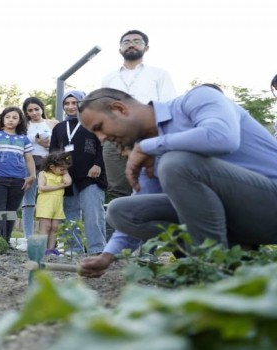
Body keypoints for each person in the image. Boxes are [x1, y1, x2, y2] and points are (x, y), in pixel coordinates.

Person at [77, 86, 277, 276]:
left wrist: (151, 146)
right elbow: (144, 202)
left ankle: (212, 270)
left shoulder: (198, 99)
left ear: (120, 109)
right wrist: (107, 255)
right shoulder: (144, 150)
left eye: (99, 127)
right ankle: (232, 261)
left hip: (270, 203)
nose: (101, 138)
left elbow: (222, 137)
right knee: (121, 210)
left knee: (176, 163)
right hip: (237, 219)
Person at [101, 30, 175, 202]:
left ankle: (151, 228)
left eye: (137, 41)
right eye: (126, 42)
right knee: (117, 188)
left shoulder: (159, 74)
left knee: (150, 183)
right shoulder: (109, 78)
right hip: (115, 139)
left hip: (147, 136)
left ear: (146, 47)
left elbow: (167, 105)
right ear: (120, 49)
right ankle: (119, 229)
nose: (131, 44)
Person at [50, 90, 107, 255]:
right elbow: (53, 152)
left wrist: (98, 165)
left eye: (74, 103)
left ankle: (97, 248)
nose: (70, 107)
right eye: (67, 104)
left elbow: (104, 147)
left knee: (93, 214)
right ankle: (73, 249)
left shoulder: (94, 123)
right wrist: (60, 172)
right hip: (67, 177)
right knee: (70, 214)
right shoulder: (59, 128)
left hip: (91, 176)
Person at [0, 107, 35, 246]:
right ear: (3, 118)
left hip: (18, 180)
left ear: (19, 121)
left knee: (10, 211)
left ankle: (5, 241)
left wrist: (32, 176)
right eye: (8, 117)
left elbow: (29, 160)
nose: (11, 120)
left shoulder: (23, 139)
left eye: (14, 117)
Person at [19, 97, 56, 247]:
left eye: (36, 109)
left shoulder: (53, 123)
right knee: (28, 202)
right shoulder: (23, 126)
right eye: (30, 110)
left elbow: (60, 143)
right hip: (28, 164)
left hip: (49, 164)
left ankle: (51, 240)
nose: (34, 113)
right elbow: (19, 142)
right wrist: (35, 138)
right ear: (26, 112)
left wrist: (47, 146)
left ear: (42, 108)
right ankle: (28, 237)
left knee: (51, 201)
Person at [36, 151, 72, 255]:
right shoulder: (43, 174)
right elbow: (42, 187)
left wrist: (65, 172)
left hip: (57, 204)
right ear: (52, 167)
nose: (64, 171)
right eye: (62, 169)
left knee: (55, 227)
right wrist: (60, 186)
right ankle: (42, 249)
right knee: (46, 226)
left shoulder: (62, 174)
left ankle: (50, 249)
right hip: (46, 203)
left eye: (66, 169)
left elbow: (68, 182)